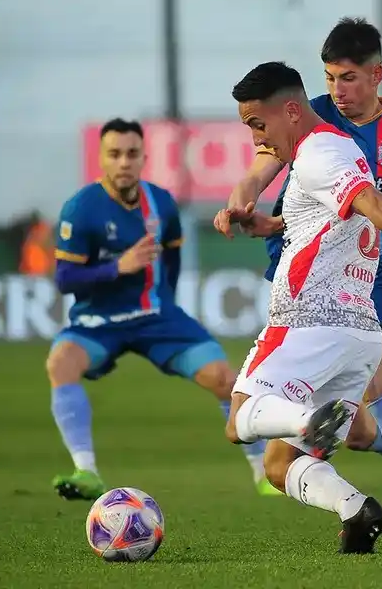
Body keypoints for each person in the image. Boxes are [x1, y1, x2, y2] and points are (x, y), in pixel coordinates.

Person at [214, 18, 382, 540]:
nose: (338, 89)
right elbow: (267, 171)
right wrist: (247, 205)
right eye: (331, 78)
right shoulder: (306, 117)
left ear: (378, 75)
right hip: (307, 269)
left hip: (368, 284)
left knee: (377, 388)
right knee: (356, 431)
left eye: (349, 78)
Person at [47, 118, 274, 500]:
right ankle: (85, 471)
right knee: (60, 363)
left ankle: (266, 475)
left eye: (131, 154)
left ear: (143, 158)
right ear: (101, 159)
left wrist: (163, 302)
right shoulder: (81, 208)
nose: (123, 162)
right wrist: (117, 268)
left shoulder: (161, 204)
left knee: (226, 380)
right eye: (114, 154)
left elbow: (171, 261)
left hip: (157, 318)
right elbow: (66, 279)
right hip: (97, 323)